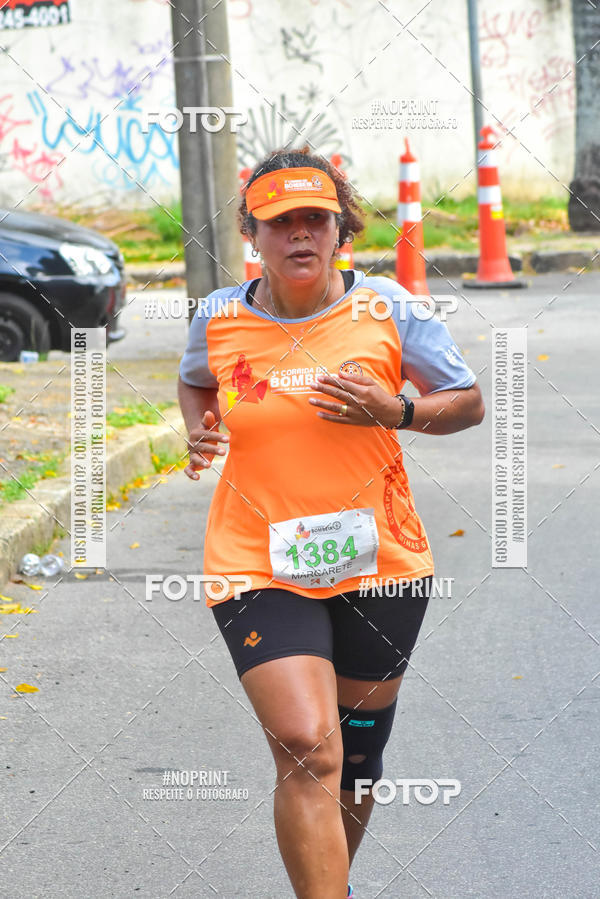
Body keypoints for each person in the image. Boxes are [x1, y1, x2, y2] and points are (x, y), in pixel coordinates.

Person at [178, 147, 484, 899]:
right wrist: (203, 427)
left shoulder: (389, 309)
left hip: (380, 562)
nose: (300, 236)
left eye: (316, 219)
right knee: (310, 750)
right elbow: (195, 382)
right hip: (257, 561)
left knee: (356, 761)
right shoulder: (218, 316)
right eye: (281, 223)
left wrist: (399, 410)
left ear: (340, 229)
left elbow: (468, 401)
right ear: (253, 233)